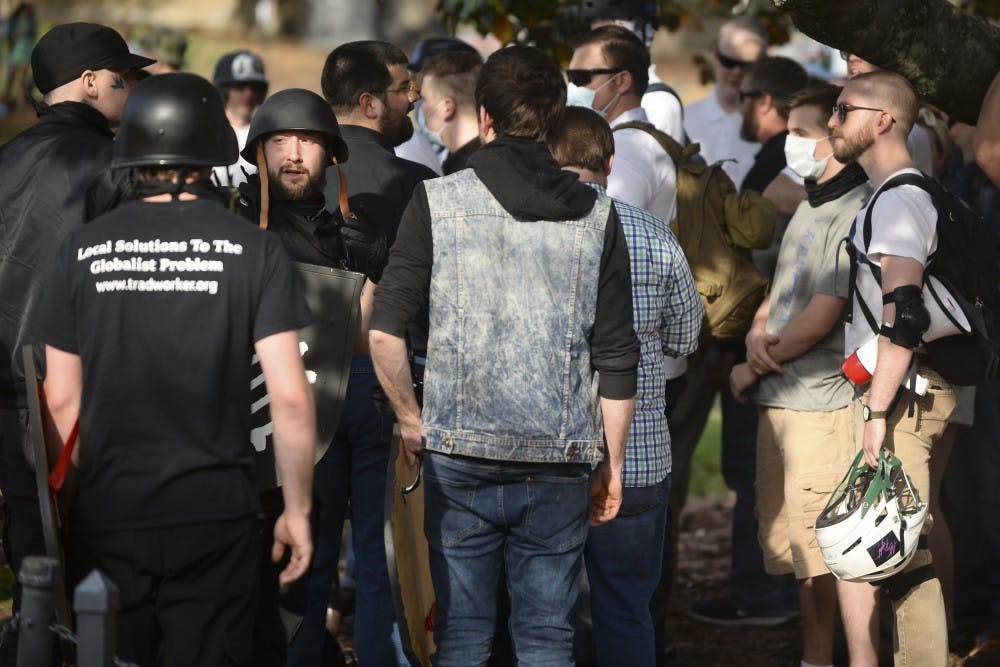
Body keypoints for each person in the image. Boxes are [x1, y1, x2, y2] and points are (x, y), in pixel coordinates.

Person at [30, 71, 316, 667]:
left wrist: (76, 508)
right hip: (218, 512)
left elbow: (60, 402)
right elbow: (289, 398)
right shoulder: (254, 250)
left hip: (112, 510)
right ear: (213, 151)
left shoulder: (79, 251)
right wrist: (296, 511)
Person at [369, 45, 640, 666]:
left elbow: (385, 330)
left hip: (458, 453)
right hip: (558, 454)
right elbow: (617, 357)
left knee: (463, 632)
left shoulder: (438, 202)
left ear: (484, 115)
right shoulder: (599, 217)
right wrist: (613, 464)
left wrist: (412, 421)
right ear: (552, 121)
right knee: (547, 634)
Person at [0, 24, 151, 661]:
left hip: (9, 396)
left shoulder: (6, 158)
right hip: (84, 396)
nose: (134, 90)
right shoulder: (112, 166)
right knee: (96, 573)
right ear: (91, 81)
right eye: (125, 78)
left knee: (32, 563)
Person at [289, 39, 436, 667]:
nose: (415, 102)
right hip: (389, 383)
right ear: (372, 101)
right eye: (407, 90)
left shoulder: (293, 180)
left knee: (308, 550)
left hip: (301, 382)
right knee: (383, 556)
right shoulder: (420, 187)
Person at [728, 83, 879, 667]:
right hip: (783, 397)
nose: (789, 143)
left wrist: (753, 363)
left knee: (837, 549)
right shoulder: (810, 201)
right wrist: (755, 334)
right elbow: (780, 290)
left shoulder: (855, 207)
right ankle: (815, 658)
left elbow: (820, 317)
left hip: (822, 405)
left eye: (801, 132)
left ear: (835, 139)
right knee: (799, 552)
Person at [550, 105, 702, 666]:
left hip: (550, 456)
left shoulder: (533, 231)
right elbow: (686, 336)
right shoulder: (652, 232)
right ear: (609, 164)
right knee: (626, 610)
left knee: (548, 615)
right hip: (636, 456)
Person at [830, 69, 955, 665]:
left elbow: (903, 316)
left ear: (882, 120)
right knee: (907, 547)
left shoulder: (900, 199)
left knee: (902, 552)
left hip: (902, 391)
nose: (831, 122)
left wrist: (877, 412)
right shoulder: (896, 195)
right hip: (902, 386)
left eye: (842, 109)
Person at [579, 0, 685, 143]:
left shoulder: (656, 104)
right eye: (596, 38)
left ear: (646, 33)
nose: (601, 50)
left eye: (613, 39)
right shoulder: (601, 96)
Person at [684, 16, 768, 187]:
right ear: (714, 53)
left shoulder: (771, 131)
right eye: (728, 62)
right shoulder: (683, 120)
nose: (736, 72)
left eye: (747, 65)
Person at [417, 49, 483, 174]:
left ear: (447, 108)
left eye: (425, 99)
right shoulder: (502, 153)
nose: (421, 107)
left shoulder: (463, 172)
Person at [212, 49, 268, 187]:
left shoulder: (266, 136)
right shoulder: (206, 131)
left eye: (255, 87)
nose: (249, 94)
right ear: (223, 91)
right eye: (240, 86)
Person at [2, 3, 36, 109]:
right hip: (15, 54)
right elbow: (8, 36)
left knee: (23, 80)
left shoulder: (31, 21)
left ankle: (20, 102)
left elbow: (33, 35)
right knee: (11, 78)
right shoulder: (14, 21)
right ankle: (6, 100)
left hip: (25, 53)